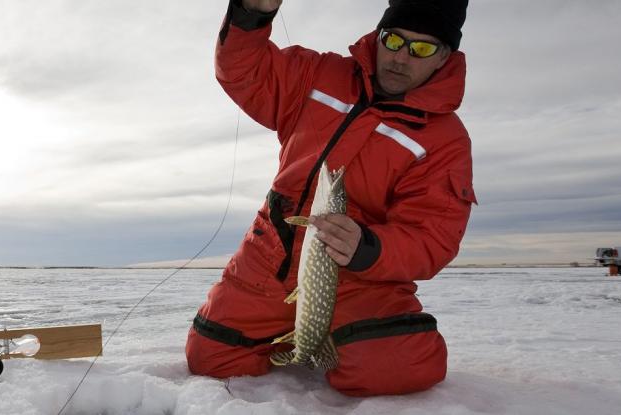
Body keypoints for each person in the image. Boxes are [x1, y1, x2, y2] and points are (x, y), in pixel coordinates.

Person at [186, 0, 477, 396]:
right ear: (379, 35)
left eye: (421, 49)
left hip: (361, 277)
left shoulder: (445, 140)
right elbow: (244, 72)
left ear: (444, 57)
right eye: (393, 40)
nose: (400, 57)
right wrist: (251, 14)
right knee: (211, 358)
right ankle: (296, 332)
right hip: (272, 252)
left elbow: (432, 236)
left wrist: (369, 248)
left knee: (400, 365)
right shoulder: (318, 74)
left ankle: (325, 333)